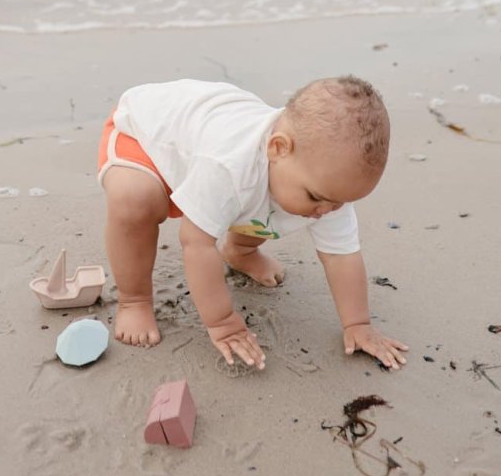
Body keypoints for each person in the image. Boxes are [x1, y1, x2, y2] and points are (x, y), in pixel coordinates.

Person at [97, 75, 409, 371]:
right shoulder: (229, 167)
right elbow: (196, 243)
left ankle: (240, 251)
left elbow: (342, 256)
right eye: (318, 197)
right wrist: (222, 322)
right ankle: (134, 300)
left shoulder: (322, 183)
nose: (326, 211)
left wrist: (358, 324)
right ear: (278, 148)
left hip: (212, 150)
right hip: (146, 136)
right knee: (134, 201)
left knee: (272, 202)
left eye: (340, 202)